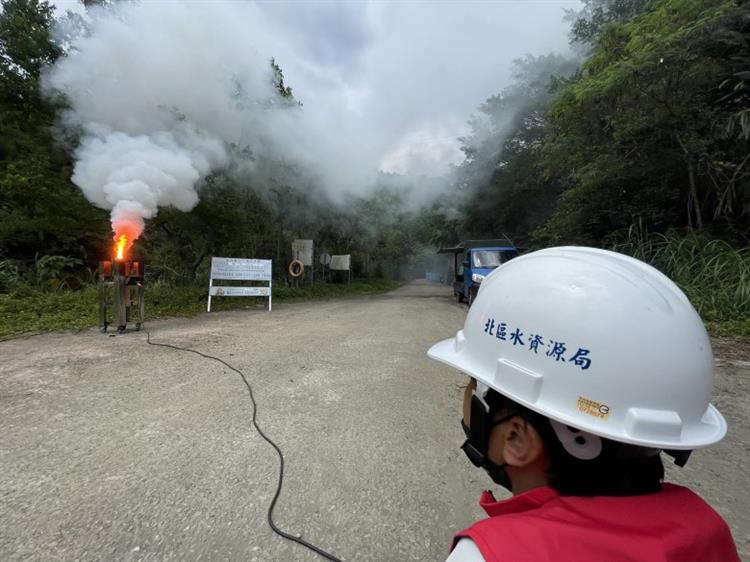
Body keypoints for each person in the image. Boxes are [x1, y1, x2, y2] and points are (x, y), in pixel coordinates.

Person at [427, 246, 740, 562]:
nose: (465, 395)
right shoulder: (709, 530)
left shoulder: (489, 554)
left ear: (516, 438)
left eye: (472, 383)